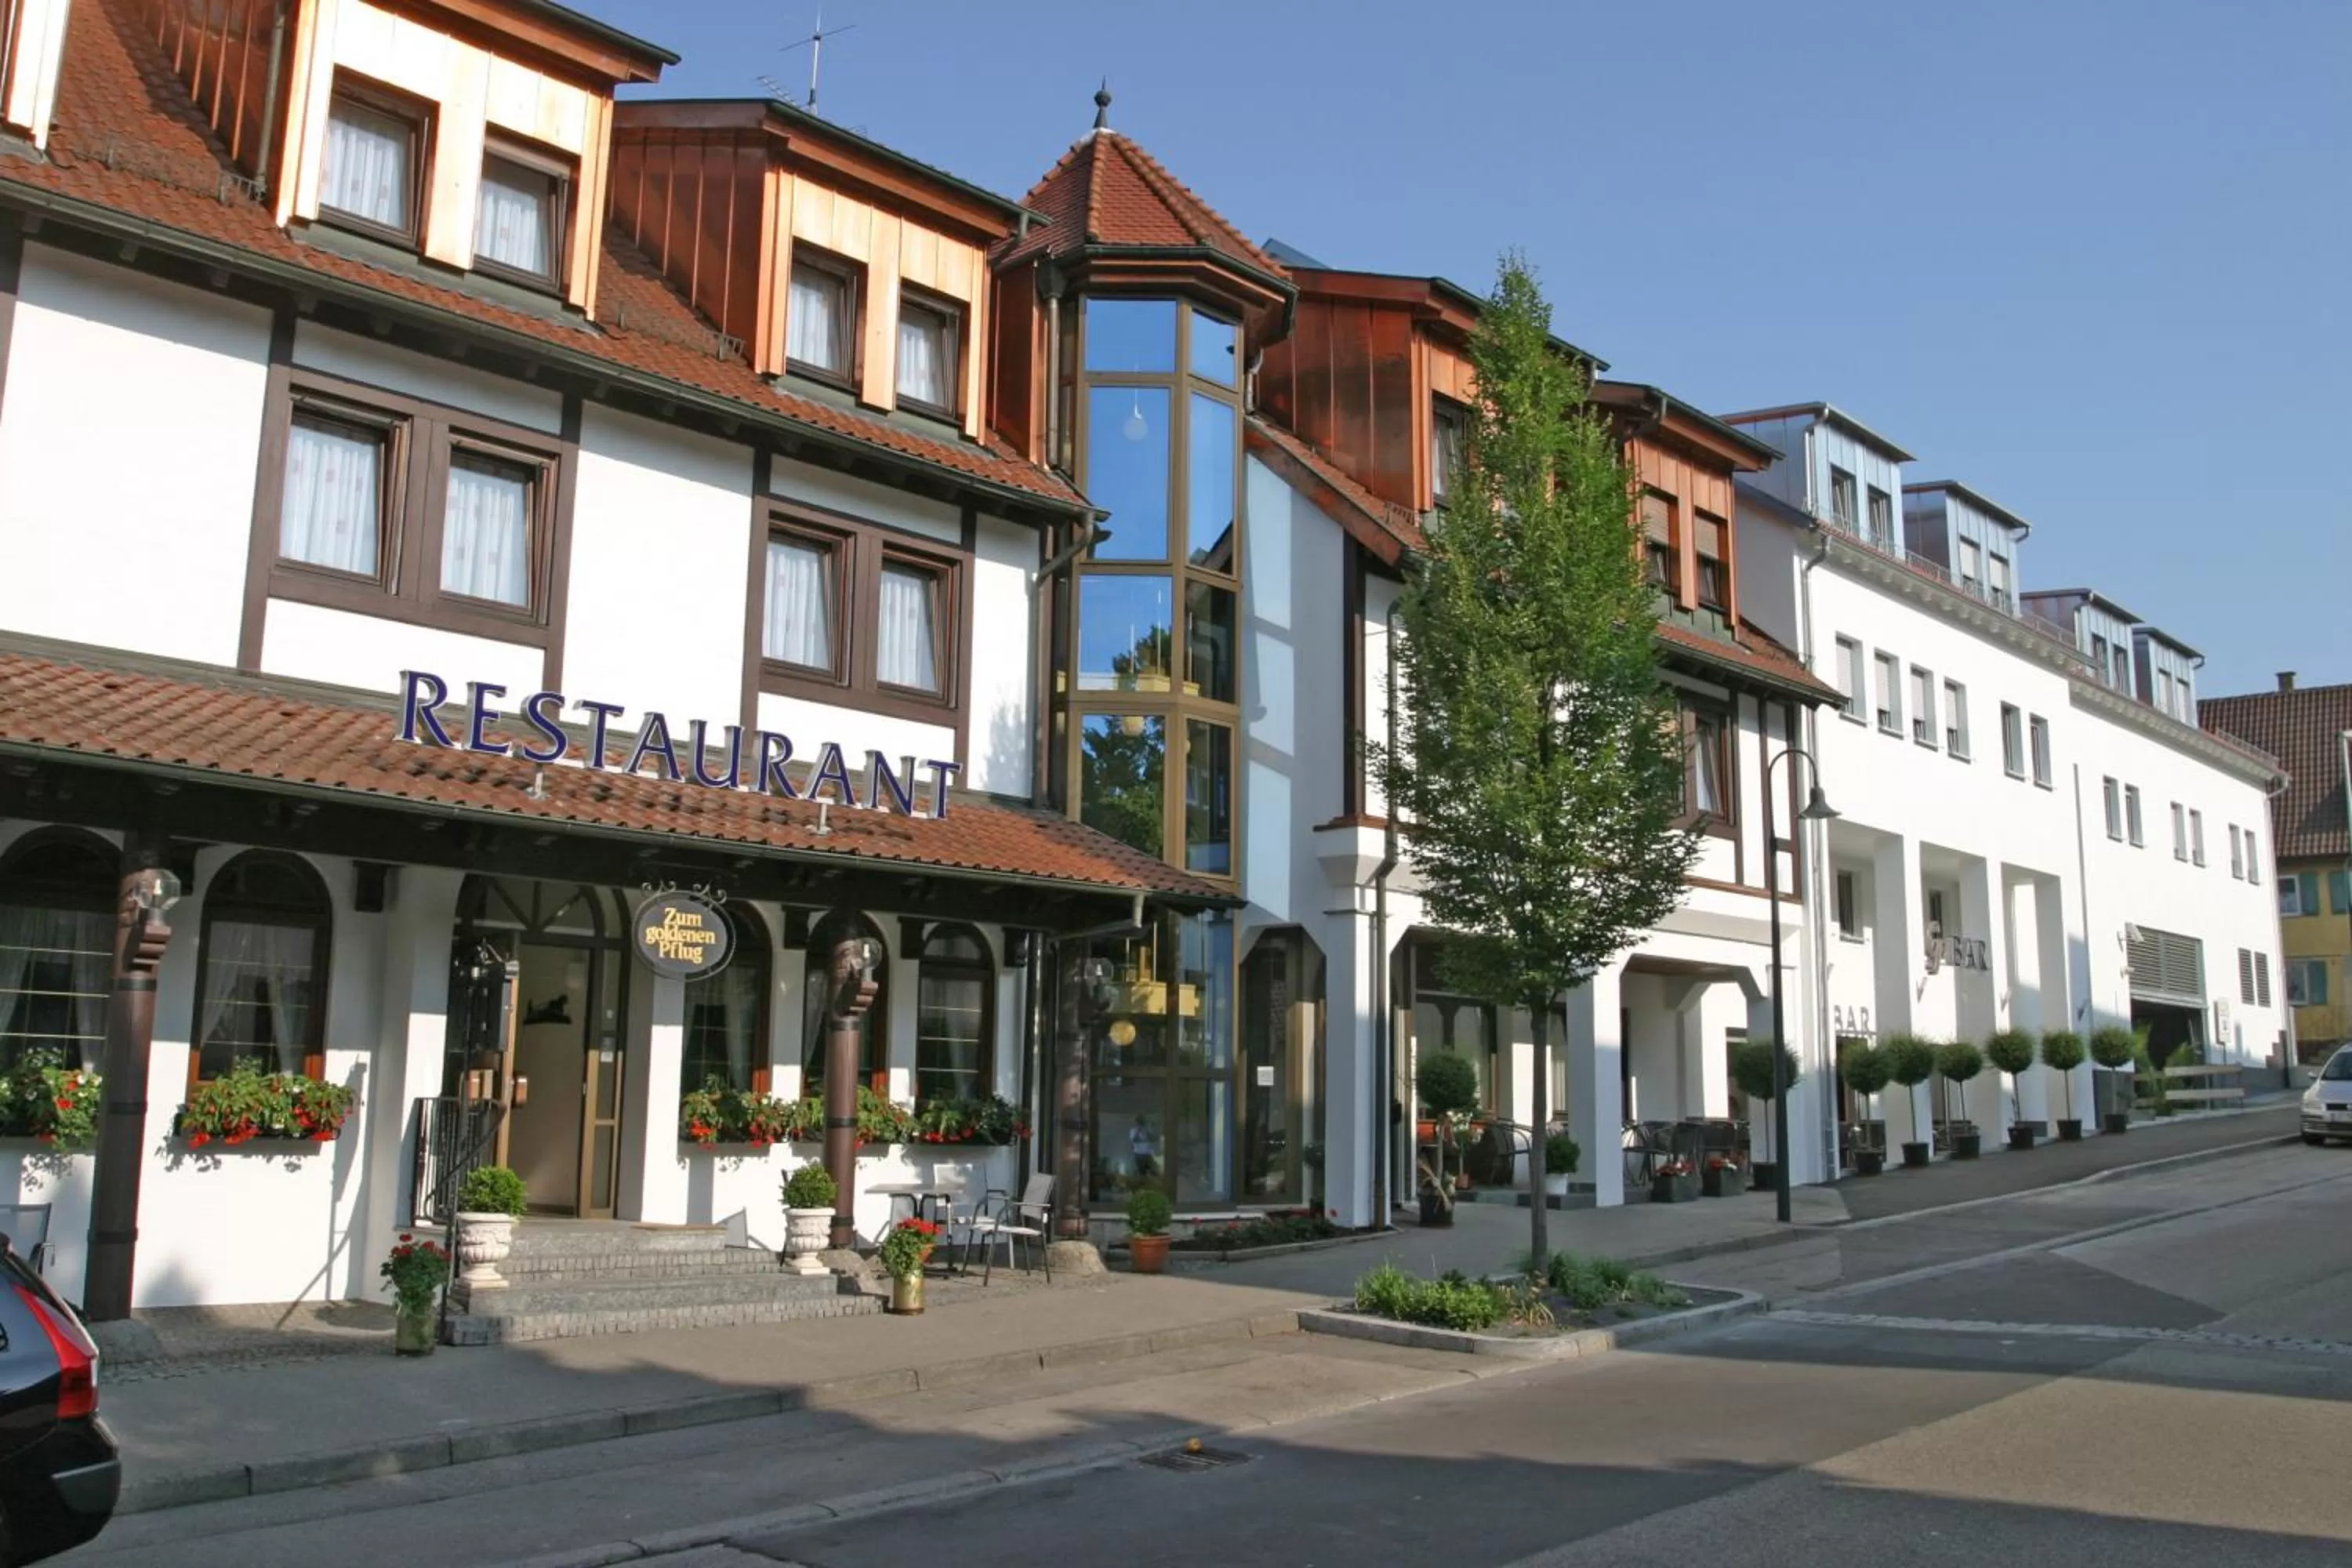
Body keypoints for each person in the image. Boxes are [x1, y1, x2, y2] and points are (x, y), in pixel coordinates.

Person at [1129, 1113, 1159, 1179]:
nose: (1141, 1123)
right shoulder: (1133, 1131)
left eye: (1142, 1121)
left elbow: (1153, 1139)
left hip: (1147, 1154)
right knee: (1142, 1173)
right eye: (1139, 1122)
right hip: (1138, 1154)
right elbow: (1134, 1140)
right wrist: (1138, 1131)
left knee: (1153, 1172)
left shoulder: (1147, 1130)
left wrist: (1147, 1132)